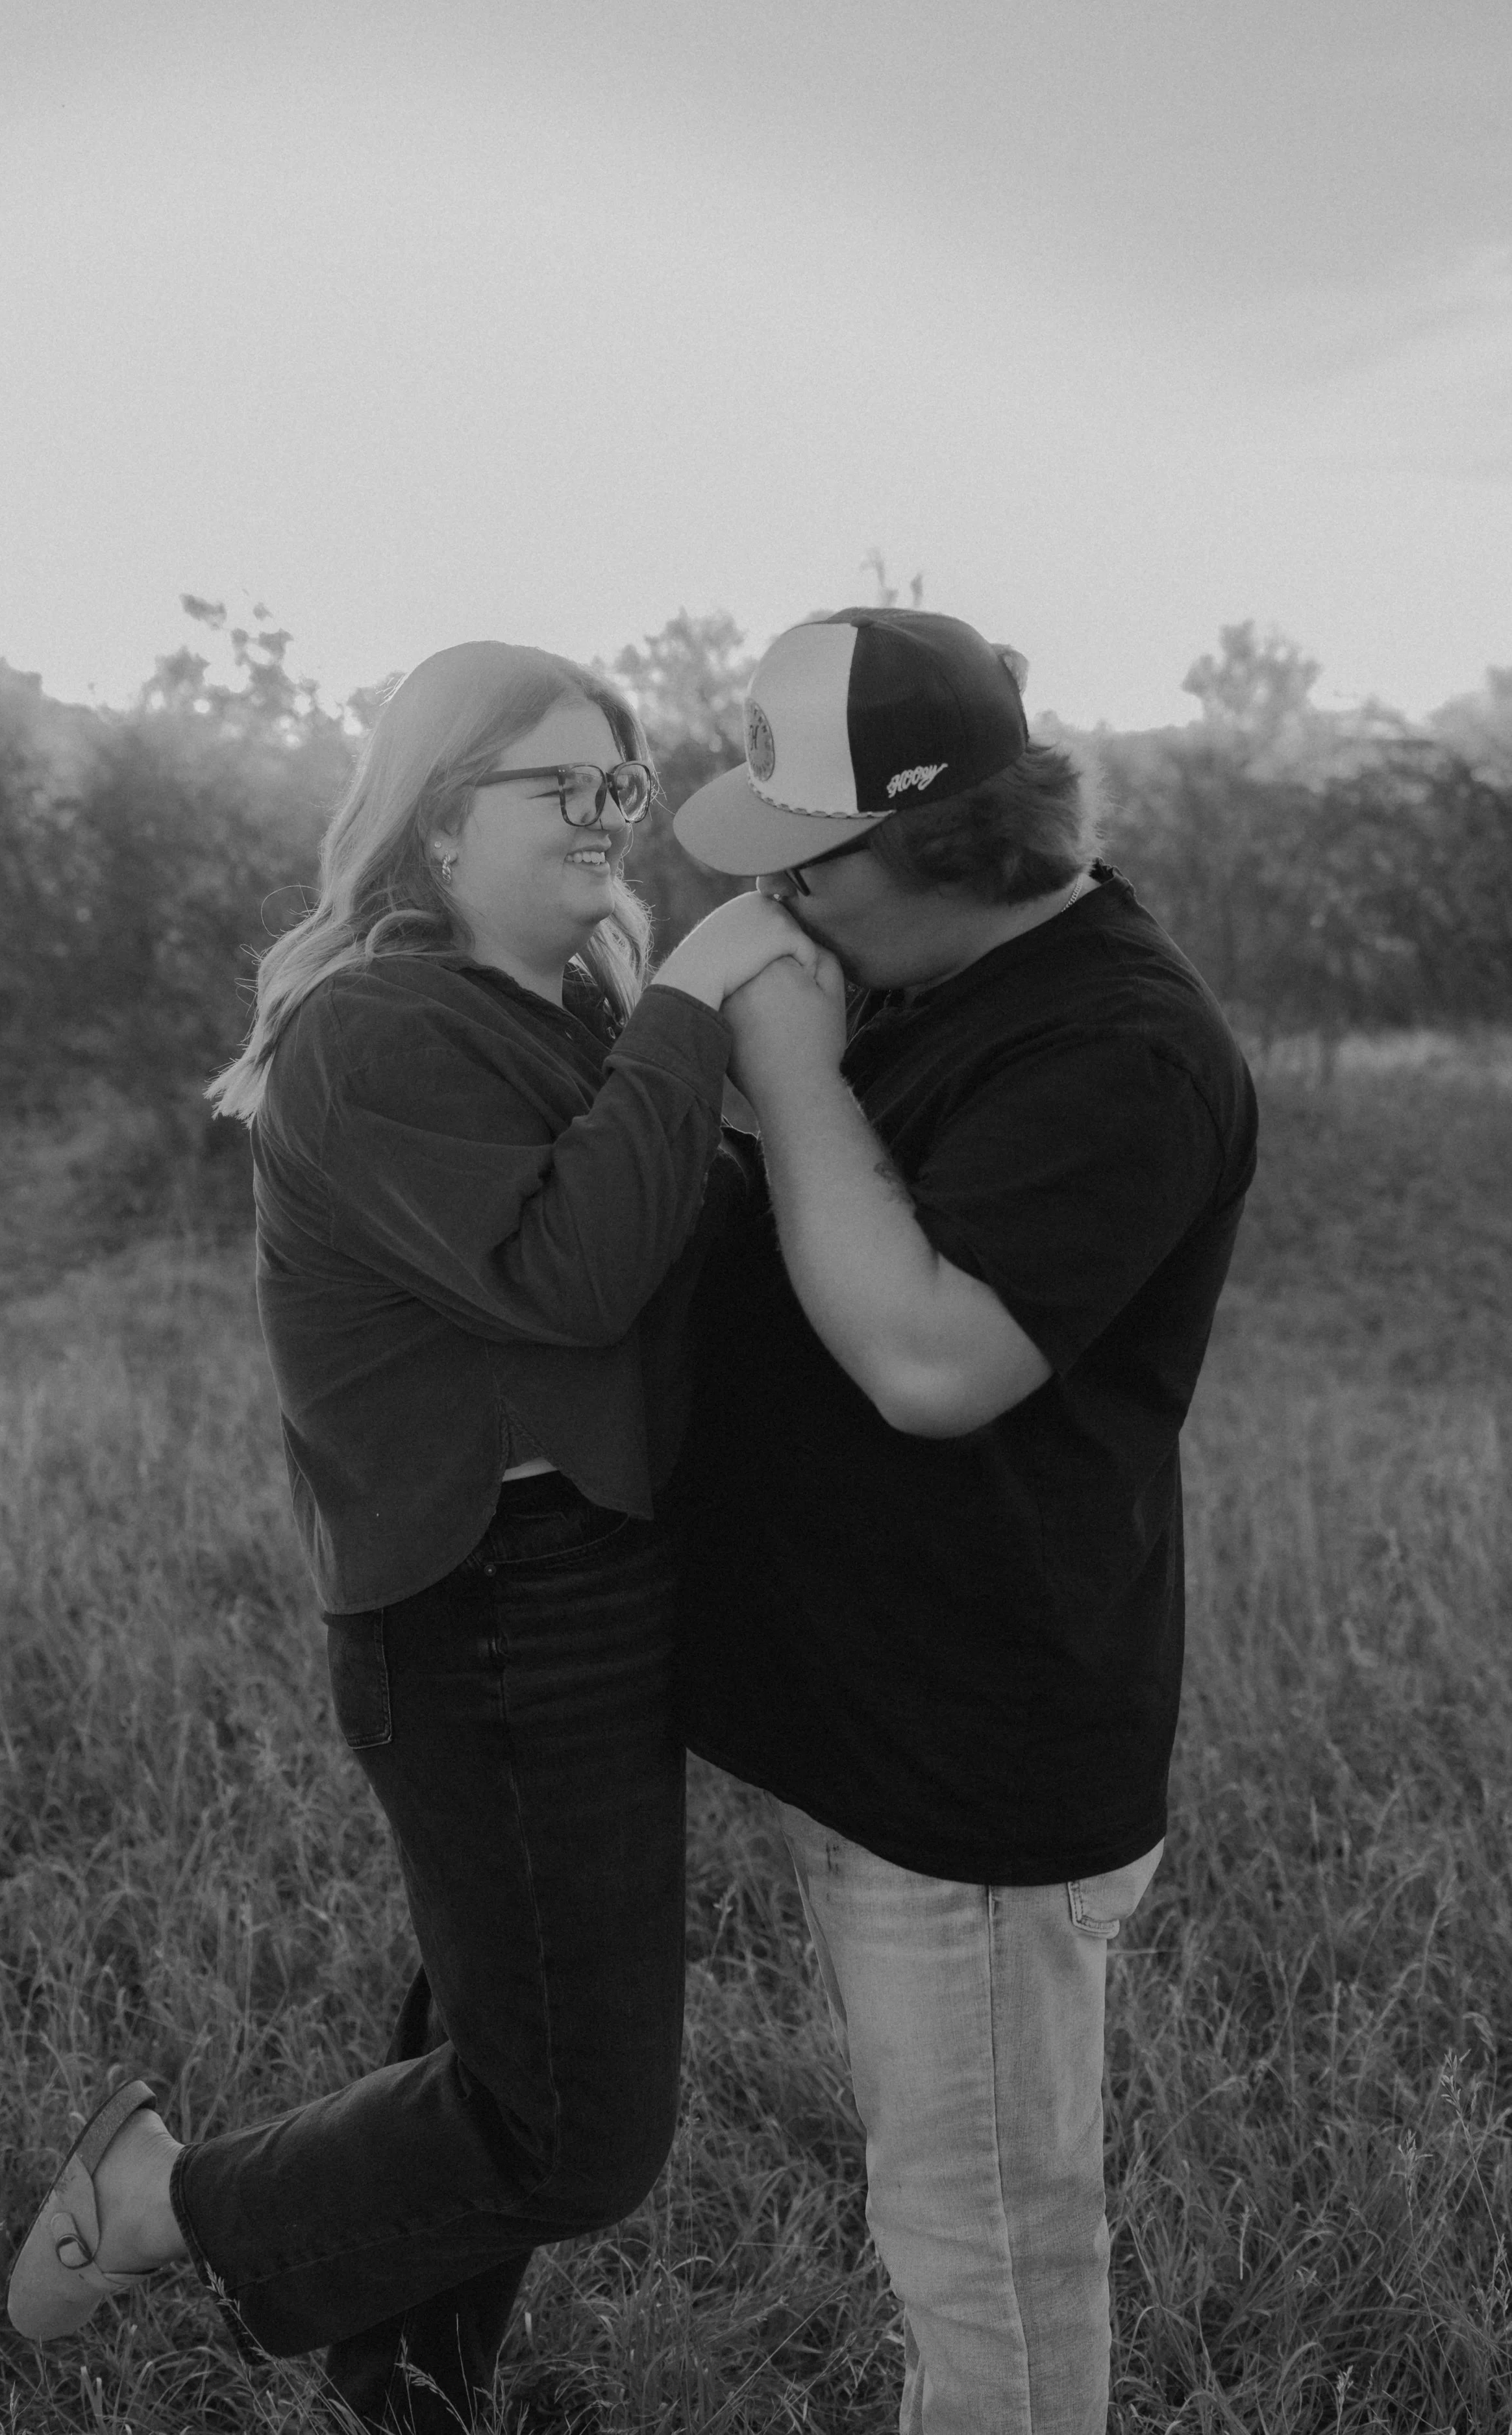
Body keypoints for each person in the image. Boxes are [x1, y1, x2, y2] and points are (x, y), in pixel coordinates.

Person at [5, 639, 817, 2434]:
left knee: (500, 2017)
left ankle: (405, 2381)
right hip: (491, 1609)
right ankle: (170, 2199)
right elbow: (571, 1273)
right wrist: (688, 1007)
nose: (615, 813)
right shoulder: (380, 1028)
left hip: (588, 1582)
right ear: (440, 818)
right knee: (578, 2129)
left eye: (625, 780)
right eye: (569, 784)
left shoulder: (557, 1014)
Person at [669, 606, 1258, 2435]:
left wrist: (777, 1059)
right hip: (872, 1716)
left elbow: (930, 1359)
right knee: (946, 2217)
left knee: (986, 2244)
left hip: (975, 1755)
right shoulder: (947, 976)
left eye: (800, 872)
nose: (784, 912)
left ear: (920, 844)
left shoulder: (1120, 1051)